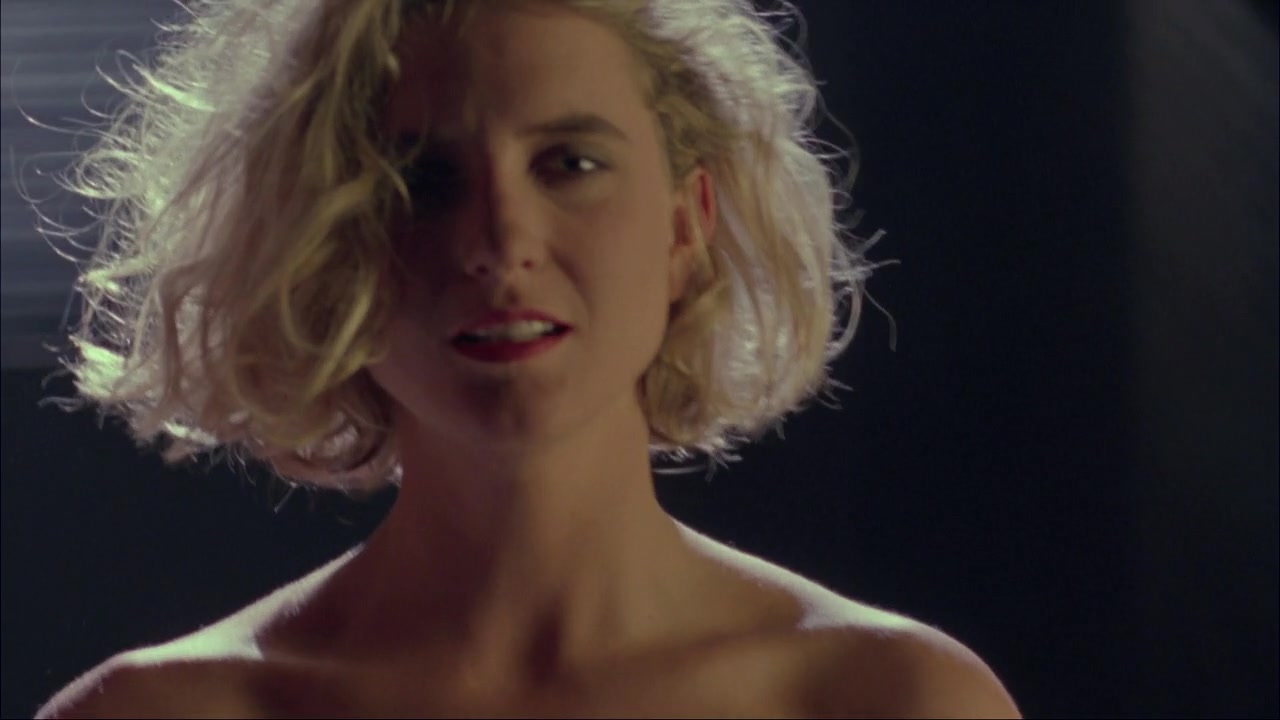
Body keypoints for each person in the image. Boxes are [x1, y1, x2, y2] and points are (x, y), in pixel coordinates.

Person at [34, 0, 1020, 716]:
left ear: (687, 225)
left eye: (570, 164)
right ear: (322, 246)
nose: (500, 241)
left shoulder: (887, 699)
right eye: (425, 178)